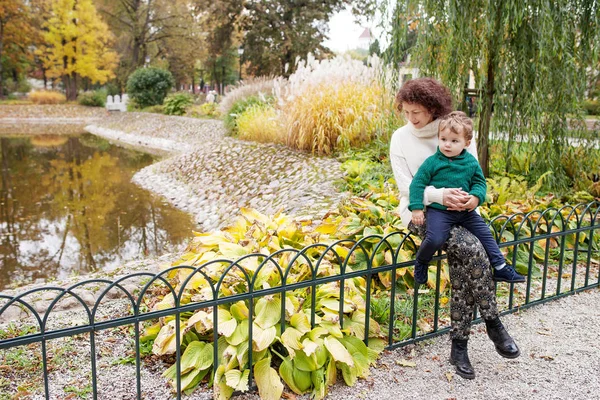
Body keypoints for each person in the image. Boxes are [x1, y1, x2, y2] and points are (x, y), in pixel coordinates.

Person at [389, 78, 521, 380]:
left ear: (433, 109)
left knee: (466, 264)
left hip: (461, 212)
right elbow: (406, 187)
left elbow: (474, 173)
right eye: (406, 112)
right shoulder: (400, 138)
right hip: (421, 212)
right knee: (474, 250)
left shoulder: (455, 129)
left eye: (417, 112)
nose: (411, 119)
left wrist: (472, 199)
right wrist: (439, 195)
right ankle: (492, 323)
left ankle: (459, 348)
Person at [409, 111, 526, 285]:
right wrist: (417, 208)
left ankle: (500, 267)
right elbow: (417, 184)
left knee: (485, 234)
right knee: (435, 238)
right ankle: (422, 261)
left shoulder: (470, 162)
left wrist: (475, 198)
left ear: (467, 143)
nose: (447, 145)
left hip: (465, 211)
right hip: (441, 211)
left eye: (454, 141)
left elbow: (479, 183)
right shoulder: (432, 162)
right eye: (443, 139)